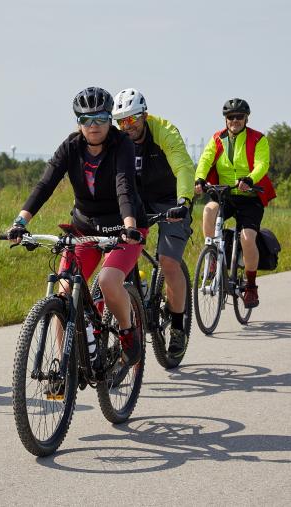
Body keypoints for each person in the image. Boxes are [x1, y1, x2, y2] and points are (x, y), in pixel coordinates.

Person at [6, 86, 149, 366]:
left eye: (100, 118)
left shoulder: (122, 144)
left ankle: (127, 331)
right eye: (86, 119)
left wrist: (129, 226)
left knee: (108, 281)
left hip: (124, 229)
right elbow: (45, 184)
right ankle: (65, 368)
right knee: (63, 294)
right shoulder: (71, 147)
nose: (93, 125)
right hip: (85, 229)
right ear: (78, 122)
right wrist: (20, 222)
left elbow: (124, 186)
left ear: (110, 119)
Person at [111, 88, 195, 358]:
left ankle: (178, 327)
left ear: (144, 115)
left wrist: (184, 201)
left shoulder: (165, 132)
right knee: (116, 256)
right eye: (121, 121)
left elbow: (183, 167)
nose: (127, 127)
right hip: (136, 201)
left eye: (132, 120)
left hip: (170, 200)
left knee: (168, 262)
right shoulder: (116, 138)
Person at [193, 98, 276, 308]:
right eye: (231, 117)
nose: (235, 120)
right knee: (209, 210)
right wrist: (200, 178)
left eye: (239, 117)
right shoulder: (217, 138)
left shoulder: (258, 139)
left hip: (250, 197)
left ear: (246, 118)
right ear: (226, 119)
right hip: (226, 194)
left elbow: (262, 164)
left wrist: (250, 179)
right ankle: (212, 257)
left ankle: (251, 286)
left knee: (247, 239)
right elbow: (205, 159)